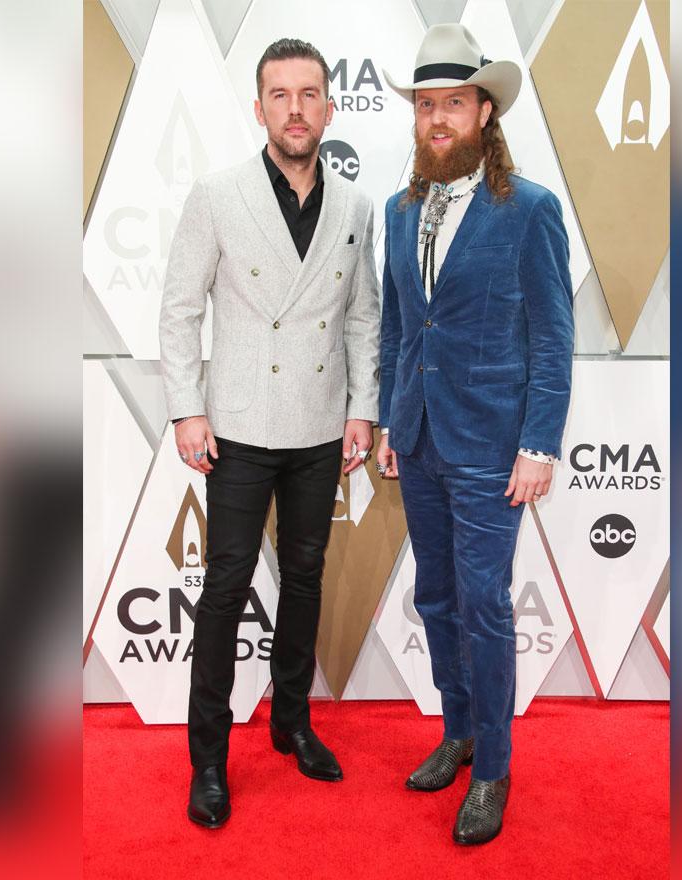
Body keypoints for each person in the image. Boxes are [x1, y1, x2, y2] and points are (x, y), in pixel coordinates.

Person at [158, 37, 380, 829]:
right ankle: (208, 759)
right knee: (223, 588)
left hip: (321, 424)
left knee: (307, 575)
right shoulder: (216, 196)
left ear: (328, 106)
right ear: (259, 109)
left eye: (308, 93)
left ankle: (292, 721)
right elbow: (181, 309)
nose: (295, 108)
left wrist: (363, 408)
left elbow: (362, 314)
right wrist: (187, 406)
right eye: (279, 95)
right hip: (240, 426)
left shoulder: (357, 207)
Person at [375, 23, 574, 845]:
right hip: (418, 439)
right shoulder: (399, 208)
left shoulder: (528, 210)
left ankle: (493, 766)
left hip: (495, 447)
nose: (437, 120)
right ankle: (457, 733)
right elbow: (396, 326)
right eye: (426, 105)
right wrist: (392, 419)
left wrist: (539, 444)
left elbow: (554, 338)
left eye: (453, 103)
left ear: (484, 111)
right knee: (437, 596)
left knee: (487, 604)